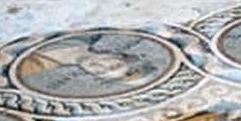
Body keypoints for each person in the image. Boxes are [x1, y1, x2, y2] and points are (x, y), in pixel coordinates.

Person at [18, 34, 154, 86]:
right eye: (114, 66)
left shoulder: (34, 66)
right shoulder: (87, 36)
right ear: (118, 55)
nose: (100, 67)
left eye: (100, 73)